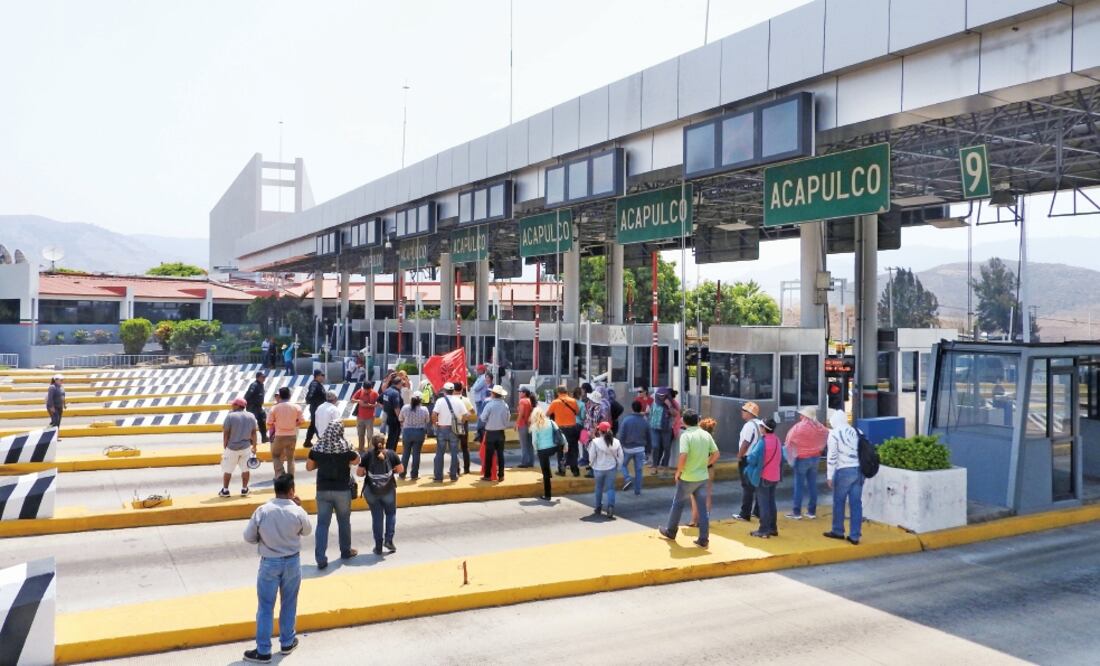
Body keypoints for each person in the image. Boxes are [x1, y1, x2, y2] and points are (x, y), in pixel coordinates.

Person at [242, 473, 311, 663]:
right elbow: (307, 530)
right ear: (292, 491)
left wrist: (262, 538)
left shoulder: (263, 510)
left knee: (265, 606)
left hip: (269, 562)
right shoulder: (297, 511)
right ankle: (287, 642)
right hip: (292, 561)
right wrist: (299, 506)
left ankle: (263, 650)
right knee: (289, 602)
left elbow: (248, 536)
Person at [658, 409, 719, 548]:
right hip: (702, 476)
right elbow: (716, 454)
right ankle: (703, 538)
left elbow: (683, 456)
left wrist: (678, 471)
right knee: (702, 508)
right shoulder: (705, 434)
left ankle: (671, 531)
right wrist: (704, 464)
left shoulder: (686, 435)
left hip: (688, 477)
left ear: (684, 421)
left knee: (678, 504)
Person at [306, 414, 359, 569]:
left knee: (322, 524)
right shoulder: (346, 447)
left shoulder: (317, 447)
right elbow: (357, 461)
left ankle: (320, 558)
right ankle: (346, 551)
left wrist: (321, 464)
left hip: (323, 490)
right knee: (344, 522)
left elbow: (309, 467)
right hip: (342, 490)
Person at [358, 434, 404, 554]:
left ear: (372, 443)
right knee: (391, 514)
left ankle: (378, 546)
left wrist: (366, 472)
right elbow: (401, 470)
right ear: (384, 443)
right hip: (388, 490)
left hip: (372, 491)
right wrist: (392, 470)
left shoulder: (367, 455)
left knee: (377, 517)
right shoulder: (391, 454)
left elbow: (359, 473)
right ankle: (389, 540)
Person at [824, 409, 863, 545]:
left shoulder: (834, 433)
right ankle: (855, 536)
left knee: (839, 502)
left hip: (844, 471)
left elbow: (832, 456)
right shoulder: (857, 431)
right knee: (856, 504)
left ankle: (838, 530)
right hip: (859, 471)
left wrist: (829, 476)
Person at [785, 406, 828, 520]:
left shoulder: (798, 427)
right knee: (812, 485)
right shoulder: (819, 427)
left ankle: (796, 512)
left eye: (802, 414)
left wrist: (790, 457)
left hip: (802, 459)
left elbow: (789, 441)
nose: (800, 416)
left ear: (805, 416)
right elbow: (826, 434)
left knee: (799, 486)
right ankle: (811, 512)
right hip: (815, 458)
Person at [746, 418, 782, 539]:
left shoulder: (762, 442)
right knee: (771, 502)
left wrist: (748, 458)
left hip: (763, 476)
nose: (760, 428)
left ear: (764, 429)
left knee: (763, 504)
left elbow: (752, 459)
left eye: (761, 426)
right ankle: (772, 528)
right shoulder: (777, 440)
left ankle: (764, 530)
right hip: (775, 476)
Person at [431, 382, 469, 482]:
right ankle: (453, 475)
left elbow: (434, 414)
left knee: (439, 453)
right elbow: (466, 415)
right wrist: (461, 422)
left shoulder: (440, 401)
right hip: (454, 429)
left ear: (444, 390)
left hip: (442, 428)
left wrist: (435, 424)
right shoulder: (459, 400)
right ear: (453, 390)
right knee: (454, 453)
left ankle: (438, 477)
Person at [732, 401, 763, 522]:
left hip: (748, 458)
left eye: (744, 410)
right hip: (758, 458)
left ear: (750, 413)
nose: (742, 412)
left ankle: (745, 513)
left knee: (747, 487)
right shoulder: (760, 424)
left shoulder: (749, 426)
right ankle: (757, 511)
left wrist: (739, 456)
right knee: (757, 485)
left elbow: (746, 442)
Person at [221, 398, 258, 497]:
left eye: (233, 404)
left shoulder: (230, 416)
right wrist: (254, 446)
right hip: (246, 447)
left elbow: (226, 432)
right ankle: (244, 489)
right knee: (245, 469)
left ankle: (225, 490)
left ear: (238, 405)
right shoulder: (251, 416)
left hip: (232, 448)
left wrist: (225, 445)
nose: (232, 406)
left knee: (228, 470)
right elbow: (254, 433)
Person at [588, 421, 624, 518]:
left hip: (598, 468)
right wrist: (619, 467)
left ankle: (598, 507)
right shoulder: (616, 442)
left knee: (598, 488)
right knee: (610, 488)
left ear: (599, 431)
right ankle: (610, 508)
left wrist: (591, 464)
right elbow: (621, 456)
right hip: (611, 468)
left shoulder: (595, 442)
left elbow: (591, 456)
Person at [528, 406, 563, 501]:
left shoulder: (535, 426)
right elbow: (559, 433)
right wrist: (565, 445)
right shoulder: (551, 422)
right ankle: (561, 464)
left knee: (545, 473)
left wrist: (536, 450)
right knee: (550, 460)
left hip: (542, 450)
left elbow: (534, 441)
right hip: (553, 448)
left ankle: (547, 495)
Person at [690, 417, 719, 527]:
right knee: (707, 495)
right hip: (709, 469)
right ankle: (704, 520)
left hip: (698, 469)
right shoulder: (711, 440)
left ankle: (694, 520)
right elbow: (715, 455)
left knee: (694, 495)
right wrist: (707, 463)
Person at [546, 386, 581, 477]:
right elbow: (577, 412)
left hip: (560, 429)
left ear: (558, 392)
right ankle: (575, 470)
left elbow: (547, 414)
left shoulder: (555, 402)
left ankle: (562, 471)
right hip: (572, 428)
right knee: (573, 449)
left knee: (560, 450)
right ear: (566, 392)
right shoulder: (573, 401)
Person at [268, 386, 303, 477]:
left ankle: (280, 474)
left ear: (280, 396)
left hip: (279, 435)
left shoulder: (274, 408)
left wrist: (277, 424)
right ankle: (291, 479)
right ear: (290, 395)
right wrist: (293, 425)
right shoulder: (296, 407)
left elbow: (269, 423)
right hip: (292, 435)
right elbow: (301, 421)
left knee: (276, 456)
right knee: (290, 458)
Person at [479, 385, 511, 482]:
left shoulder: (489, 405)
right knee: (500, 455)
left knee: (489, 455)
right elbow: (508, 419)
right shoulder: (505, 405)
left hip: (491, 432)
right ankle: (501, 475)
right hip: (501, 432)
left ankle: (488, 475)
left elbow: (483, 418)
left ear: (493, 394)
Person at [617, 399, 649, 495]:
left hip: (628, 448)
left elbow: (622, 435)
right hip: (640, 449)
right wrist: (648, 450)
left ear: (632, 408)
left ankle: (627, 478)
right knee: (639, 470)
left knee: (622, 465)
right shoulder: (644, 421)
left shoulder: (626, 420)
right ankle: (637, 491)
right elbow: (648, 436)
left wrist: (620, 446)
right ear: (641, 409)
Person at [398, 394, 430, 480]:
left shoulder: (405, 408)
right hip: (419, 433)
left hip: (407, 432)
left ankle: (402, 474)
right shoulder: (424, 409)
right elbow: (427, 420)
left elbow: (400, 419)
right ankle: (414, 475)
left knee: (405, 453)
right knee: (416, 454)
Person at [648, 388, 674, 474]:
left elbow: (675, 414)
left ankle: (665, 466)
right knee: (655, 446)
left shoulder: (670, 402)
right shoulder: (654, 403)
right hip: (654, 428)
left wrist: (669, 405)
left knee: (666, 447)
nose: (661, 397)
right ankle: (654, 466)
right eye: (660, 395)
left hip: (666, 429)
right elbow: (650, 414)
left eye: (663, 396)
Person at [351, 380, 378, 453]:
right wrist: (359, 401)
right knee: (360, 434)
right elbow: (352, 400)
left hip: (370, 418)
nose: (366, 391)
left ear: (371, 388)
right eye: (365, 390)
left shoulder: (375, 393)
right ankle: (361, 449)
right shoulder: (360, 391)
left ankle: (370, 451)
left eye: (368, 390)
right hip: (360, 417)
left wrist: (373, 405)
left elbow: (378, 402)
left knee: (370, 435)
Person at [302, 369, 326, 448]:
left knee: (314, 425)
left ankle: (307, 442)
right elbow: (310, 396)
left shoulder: (318, 384)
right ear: (317, 376)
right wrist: (314, 402)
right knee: (317, 425)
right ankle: (320, 441)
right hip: (316, 409)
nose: (324, 377)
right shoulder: (314, 384)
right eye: (322, 375)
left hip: (318, 408)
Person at [245, 371, 269, 444]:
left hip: (258, 407)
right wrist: (245, 404)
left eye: (264, 377)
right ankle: (250, 439)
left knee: (262, 420)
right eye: (262, 377)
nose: (264, 378)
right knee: (251, 423)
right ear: (257, 377)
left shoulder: (261, 385)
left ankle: (264, 437)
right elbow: (248, 395)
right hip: (252, 407)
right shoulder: (254, 385)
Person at [382, 376, 404, 451]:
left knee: (391, 437)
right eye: (401, 384)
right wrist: (401, 420)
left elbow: (379, 401)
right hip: (395, 419)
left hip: (389, 416)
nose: (402, 386)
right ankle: (390, 454)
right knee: (394, 438)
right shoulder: (395, 393)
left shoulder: (387, 391)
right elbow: (396, 408)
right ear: (398, 383)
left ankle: (389, 453)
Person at [515, 387, 535, 468]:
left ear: (524, 393)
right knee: (530, 444)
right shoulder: (530, 400)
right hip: (530, 425)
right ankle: (530, 462)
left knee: (524, 445)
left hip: (523, 424)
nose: (519, 393)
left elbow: (521, 413)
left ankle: (524, 462)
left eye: (520, 392)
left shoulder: (522, 401)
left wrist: (516, 423)